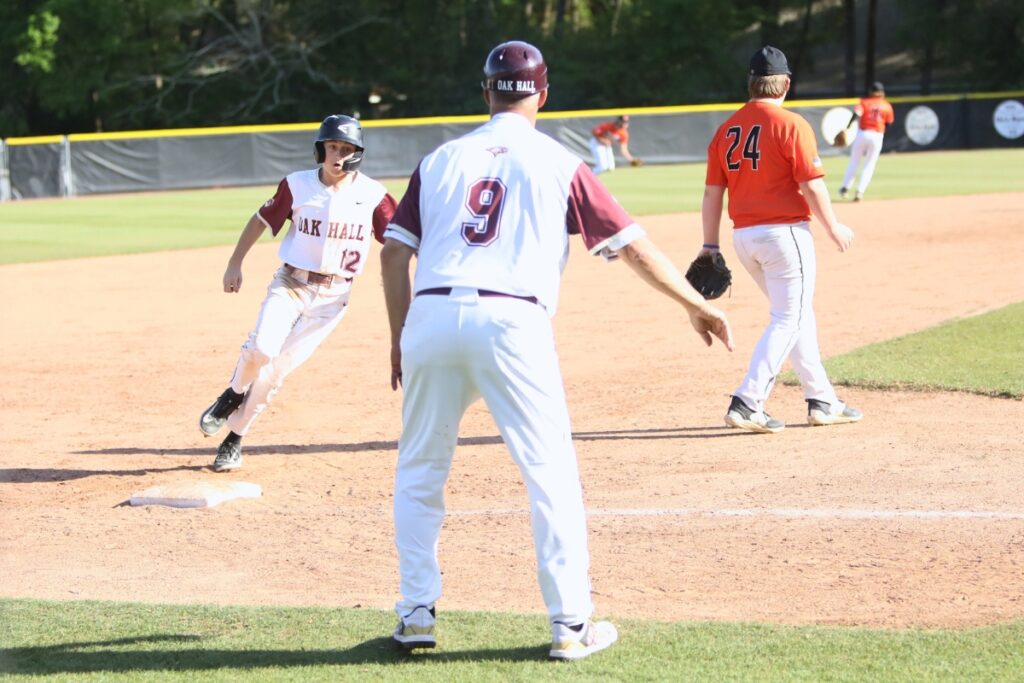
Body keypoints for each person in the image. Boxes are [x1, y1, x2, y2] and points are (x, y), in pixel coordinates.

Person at [380, 40, 733, 661]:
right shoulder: (558, 161)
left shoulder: (437, 160)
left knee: (420, 472)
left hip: (430, 315)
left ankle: (414, 615)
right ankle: (570, 626)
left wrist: (399, 336)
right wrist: (695, 304)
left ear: (486, 92)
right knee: (548, 473)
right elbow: (632, 246)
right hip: (512, 320)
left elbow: (393, 250)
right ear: (543, 93)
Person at [198, 114, 397, 471]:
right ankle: (232, 394)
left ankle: (234, 438)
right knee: (261, 348)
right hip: (291, 283)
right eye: (332, 146)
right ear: (320, 149)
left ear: (357, 154)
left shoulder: (374, 196)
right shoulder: (297, 185)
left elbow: (400, 239)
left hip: (333, 300)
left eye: (346, 149)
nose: (337, 154)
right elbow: (261, 220)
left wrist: (396, 271)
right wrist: (234, 262)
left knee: (275, 373)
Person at [701, 45, 863, 435]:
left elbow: (711, 195)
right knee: (788, 318)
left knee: (796, 316)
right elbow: (812, 186)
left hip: (744, 239)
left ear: (751, 83)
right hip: (785, 236)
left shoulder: (726, 129)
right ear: (786, 83)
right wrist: (834, 226)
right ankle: (748, 401)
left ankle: (821, 399)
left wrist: (710, 246)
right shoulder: (792, 125)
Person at [839, 81, 895, 201]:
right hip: (877, 135)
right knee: (869, 165)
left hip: (862, 134)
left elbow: (856, 113)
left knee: (854, 161)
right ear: (882, 93)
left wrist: (848, 127)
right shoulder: (886, 105)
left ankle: (845, 187)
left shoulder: (864, 102)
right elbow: (888, 123)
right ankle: (860, 191)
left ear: (870, 91)